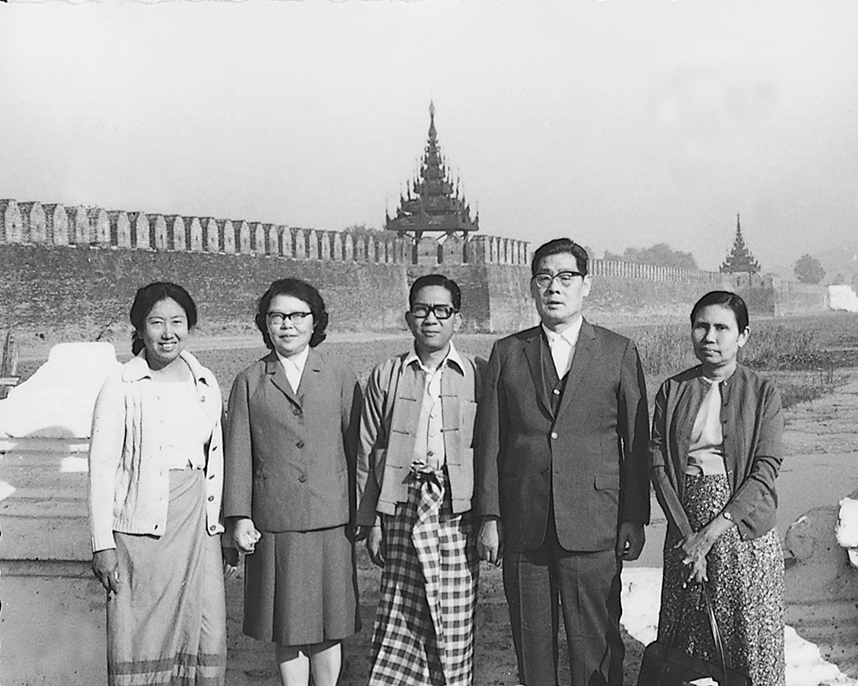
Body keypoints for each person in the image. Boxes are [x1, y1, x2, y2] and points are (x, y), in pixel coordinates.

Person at [475, 238, 650, 686]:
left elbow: (636, 445)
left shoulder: (617, 351)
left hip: (594, 523)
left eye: (566, 277)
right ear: (532, 287)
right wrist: (490, 515)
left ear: (586, 285)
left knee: (596, 648)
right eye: (544, 277)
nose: (555, 287)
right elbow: (490, 440)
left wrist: (634, 517)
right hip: (524, 522)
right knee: (532, 649)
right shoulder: (507, 352)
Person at [88, 282, 231, 685]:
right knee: (143, 636)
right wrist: (102, 544)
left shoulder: (204, 381)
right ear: (140, 327)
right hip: (143, 532)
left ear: (190, 326)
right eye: (156, 323)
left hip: (198, 525)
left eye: (177, 322)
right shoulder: (121, 383)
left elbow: (215, 457)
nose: (168, 333)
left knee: (205, 630)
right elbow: (101, 467)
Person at [223, 277, 362, 686]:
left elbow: (357, 447)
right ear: (265, 323)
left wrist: (362, 513)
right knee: (288, 626)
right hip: (276, 519)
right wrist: (239, 517)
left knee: (330, 624)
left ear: (315, 321)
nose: (287, 324)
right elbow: (239, 453)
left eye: (298, 315)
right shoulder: (249, 380)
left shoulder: (339, 374)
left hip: (331, 517)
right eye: (277, 316)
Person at [651, 290, 785, 685]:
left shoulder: (763, 392)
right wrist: (688, 537)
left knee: (747, 643)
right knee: (685, 642)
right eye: (701, 326)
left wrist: (709, 535)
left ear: (743, 336)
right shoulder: (672, 390)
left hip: (744, 531)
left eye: (722, 328)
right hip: (685, 527)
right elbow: (657, 463)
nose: (709, 337)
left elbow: (765, 468)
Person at [356, 273, 484, 686]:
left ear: (457, 320)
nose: (431, 319)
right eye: (422, 310)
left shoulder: (477, 373)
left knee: (454, 613)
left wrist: (490, 519)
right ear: (408, 318)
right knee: (401, 611)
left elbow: (490, 451)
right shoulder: (386, 374)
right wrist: (373, 521)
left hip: (457, 509)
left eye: (442, 311)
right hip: (401, 504)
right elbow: (368, 448)